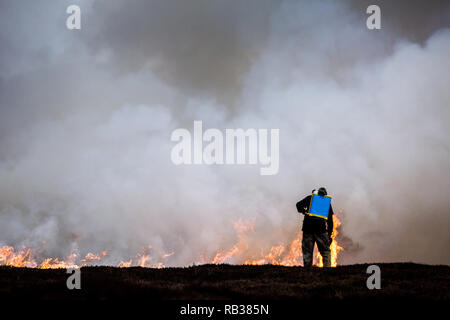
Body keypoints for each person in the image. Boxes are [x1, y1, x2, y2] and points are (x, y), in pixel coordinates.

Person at [296, 187, 334, 267]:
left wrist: (304, 211)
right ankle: (328, 270)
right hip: (321, 230)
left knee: (307, 252)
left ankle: (307, 270)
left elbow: (298, 205)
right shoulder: (326, 203)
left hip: (307, 229)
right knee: (325, 251)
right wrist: (329, 236)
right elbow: (330, 222)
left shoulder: (310, 198)